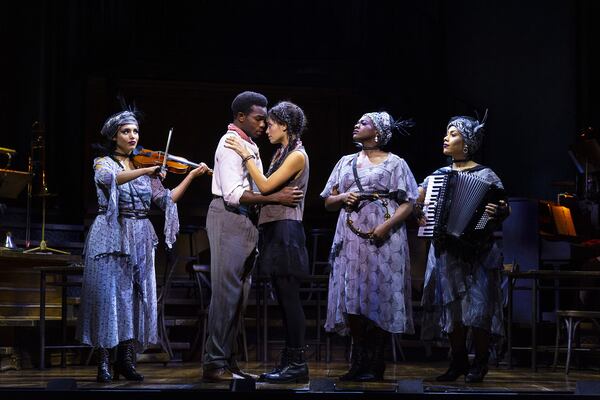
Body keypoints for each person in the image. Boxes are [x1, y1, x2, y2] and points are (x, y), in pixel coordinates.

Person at [77, 108, 210, 383]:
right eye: (126, 131)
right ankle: (103, 361)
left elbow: (167, 199)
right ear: (115, 136)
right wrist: (148, 170)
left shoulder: (142, 167)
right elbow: (108, 181)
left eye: (135, 131)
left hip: (140, 236)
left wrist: (191, 176)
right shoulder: (104, 163)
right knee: (108, 297)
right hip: (111, 235)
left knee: (135, 298)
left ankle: (126, 360)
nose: (132, 136)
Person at [202, 92, 304, 382]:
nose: (263, 124)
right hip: (229, 216)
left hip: (246, 221)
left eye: (266, 119)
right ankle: (214, 363)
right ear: (241, 117)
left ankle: (228, 361)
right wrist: (275, 199)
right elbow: (234, 194)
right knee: (226, 295)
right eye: (259, 119)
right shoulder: (230, 143)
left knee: (239, 296)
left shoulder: (249, 145)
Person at [321, 111, 418, 382]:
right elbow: (327, 201)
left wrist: (386, 226)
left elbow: (409, 201)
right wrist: (342, 196)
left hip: (384, 236)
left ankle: (377, 361)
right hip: (351, 237)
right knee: (352, 294)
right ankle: (358, 360)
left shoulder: (396, 163)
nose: (356, 124)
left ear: (378, 132)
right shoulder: (345, 162)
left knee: (379, 294)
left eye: (364, 122)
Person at [418, 112, 509, 383]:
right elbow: (419, 202)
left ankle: (479, 363)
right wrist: (419, 210)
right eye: (447, 133)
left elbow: (503, 207)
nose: (446, 138)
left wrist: (497, 211)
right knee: (453, 310)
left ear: (466, 142)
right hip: (447, 252)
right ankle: (456, 361)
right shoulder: (437, 176)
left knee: (478, 309)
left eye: (453, 134)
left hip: (478, 252)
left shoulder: (487, 175)